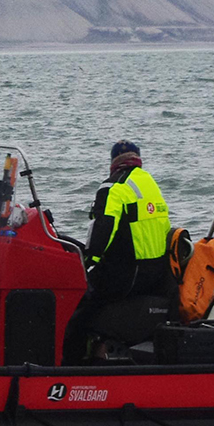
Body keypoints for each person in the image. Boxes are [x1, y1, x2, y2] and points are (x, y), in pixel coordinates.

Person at [62, 140, 172, 362]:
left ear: (113, 161)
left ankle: (68, 363)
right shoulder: (150, 183)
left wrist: (87, 260)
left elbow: (104, 227)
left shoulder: (113, 186)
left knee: (77, 299)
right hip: (156, 272)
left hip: (128, 274)